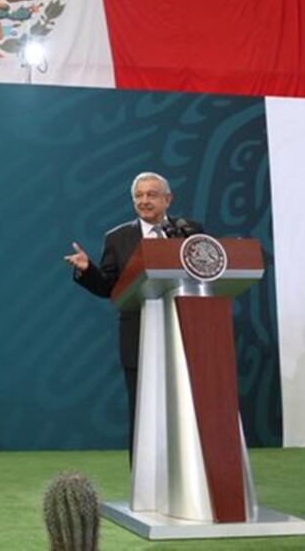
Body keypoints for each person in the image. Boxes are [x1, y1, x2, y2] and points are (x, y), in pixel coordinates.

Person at [63, 171, 202, 457]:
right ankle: (145, 488)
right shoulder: (118, 238)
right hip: (138, 334)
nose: (144, 201)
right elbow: (109, 287)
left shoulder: (190, 232)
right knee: (144, 411)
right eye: (138, 196)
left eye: (151, 195)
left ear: (168, 199)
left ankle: (192, 481)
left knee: (188, 409)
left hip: (187, 331)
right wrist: (88, 269)